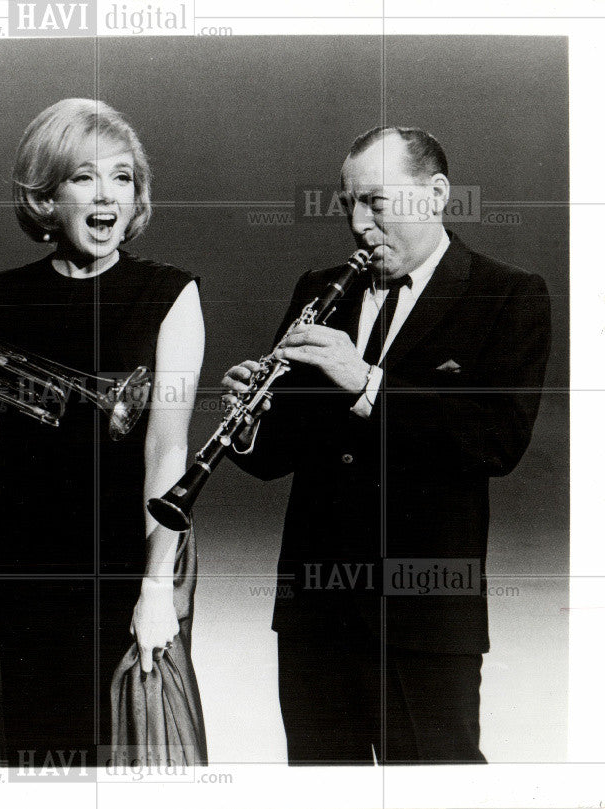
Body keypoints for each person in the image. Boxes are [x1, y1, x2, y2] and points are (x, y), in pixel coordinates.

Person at [223, 127, 551, 764]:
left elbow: (497, 441)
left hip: (426, 619)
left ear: (435, 195)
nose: (357, 223)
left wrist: (367, 381)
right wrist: (249, 421)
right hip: (315, 618)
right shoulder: (319, 289)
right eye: (348, 203)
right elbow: (275, 459)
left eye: (375, 201)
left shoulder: (508, 294)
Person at [0, 98, 206, 768]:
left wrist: (157, 585)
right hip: (22, 560)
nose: (107, 196)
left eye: (122, 177)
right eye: (83, 177)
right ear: (43, 198)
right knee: (29, 744)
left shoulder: (169, 294)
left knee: (125, 742)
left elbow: (167, 447)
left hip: (128, 549)